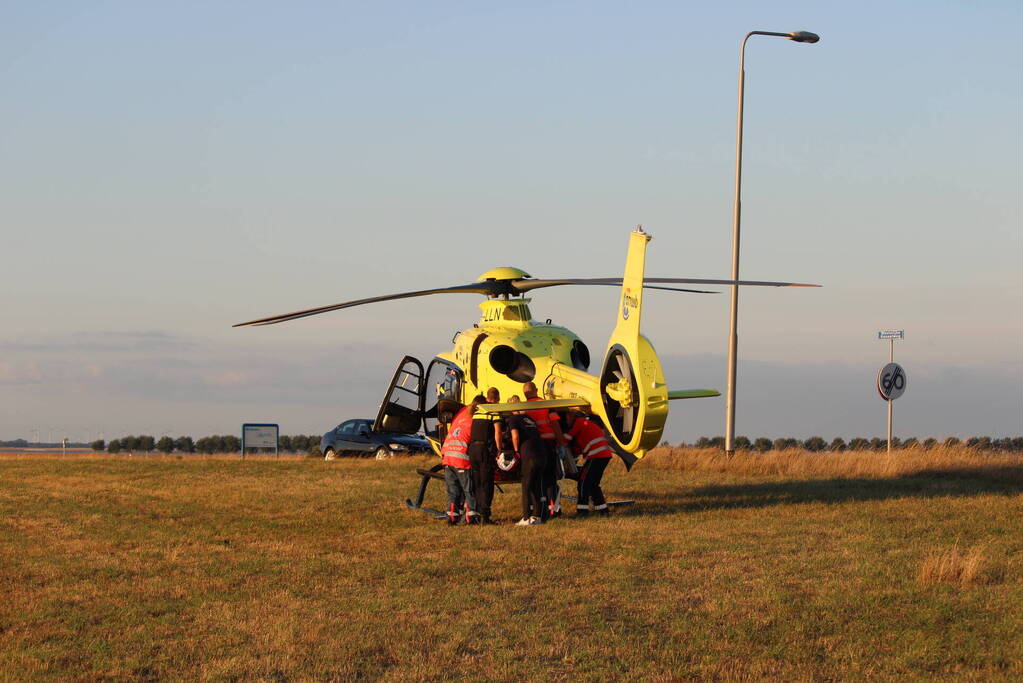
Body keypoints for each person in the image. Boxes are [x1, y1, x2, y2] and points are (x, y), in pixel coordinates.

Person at [522, 381, 566, 518]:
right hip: (549, 444)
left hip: (533, 447)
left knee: (537, 479)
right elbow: (555, 425)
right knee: (550, 478)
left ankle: (540, 508)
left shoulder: (523, 408)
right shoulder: (546, 405)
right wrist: (561, 444)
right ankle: (554, 509)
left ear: (524, 393)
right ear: (536, 390)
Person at [505, 394, 547, 525]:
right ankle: (537, 516)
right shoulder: (529, 418)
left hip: (529, 455)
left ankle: (525, 518)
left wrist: (516, 451)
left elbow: (515, 436)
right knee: (536, 486)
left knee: (526, 486)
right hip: (541, 453)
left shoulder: (513, 419)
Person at [441, 396, 483, 525]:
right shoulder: (476, 419)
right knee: (468, 490)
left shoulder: (461, 412)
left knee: (453, 491)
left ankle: (452, 517)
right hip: (461, 460)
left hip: (447, 458)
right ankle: (471, 517)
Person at [563, 411, 613, 517]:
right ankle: (603, 511)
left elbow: (565, 439)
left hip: (596, 455)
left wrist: (557, 442)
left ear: (573, 416)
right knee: (593, 484)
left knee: (583, 482)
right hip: (604, 455)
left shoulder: (579, 422)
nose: (566, 420)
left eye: (567, 417)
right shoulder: (586, 425)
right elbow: (580, 447)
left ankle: (582, 512)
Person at [468, 387, 504, 524]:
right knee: (487, 482)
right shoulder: (493, 412)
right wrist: (499, 449)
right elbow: (498, 432)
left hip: (473, 449)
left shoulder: (477, 412)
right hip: (484, 450)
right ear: (497, 398)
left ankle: (477, 512)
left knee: (477, 481)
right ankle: (485, 515)